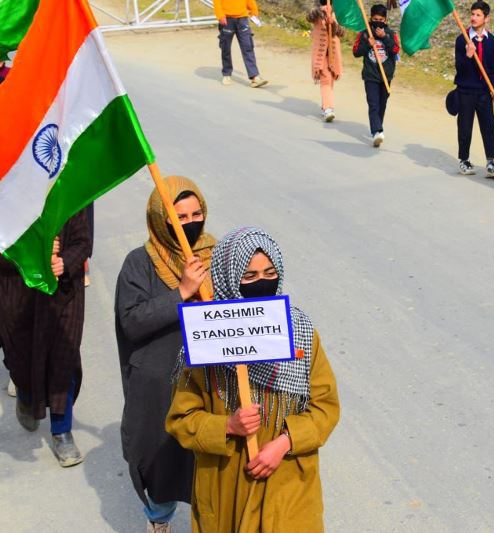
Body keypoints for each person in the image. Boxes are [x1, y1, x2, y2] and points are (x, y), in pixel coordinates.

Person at [166, 227, 340, 532]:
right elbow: (181, 419)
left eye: (270, 273)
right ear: (228, 279)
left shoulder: (299, 331)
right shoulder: (206, 339)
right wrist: (227, 426)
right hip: (226, 486)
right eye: (249, 276)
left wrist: (285, 442)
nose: (262, 281)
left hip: (287, 480)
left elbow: (325, 407)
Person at [115, 176, 216, 532]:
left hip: (210, 380)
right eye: (179, 217)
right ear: (161, 219)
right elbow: (132, 322)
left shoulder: (216, 255)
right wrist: (182, 292)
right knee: (163, 460)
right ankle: (159, 521)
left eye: (196, 214)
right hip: (161, 384)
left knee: (209, 457)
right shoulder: (139, 263)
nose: (190, 223)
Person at [0, 209, 91, 467]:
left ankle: (62, 430)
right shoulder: (7, 199)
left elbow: (83, 242)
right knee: (21, 359)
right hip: (17, 291)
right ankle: (27, 396)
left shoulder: (66, 195)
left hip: (64, 293)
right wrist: (35, 254)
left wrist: (64, 262)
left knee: (64, 361)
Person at [453, 1, 494, 179]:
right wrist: (468, 56)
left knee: (488, 126)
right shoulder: (462, 39)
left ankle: (491, 162)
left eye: (478, 15)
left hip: (484, 91)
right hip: (466, 90)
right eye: (472, 14)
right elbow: (459, 68)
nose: (474, 18)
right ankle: (464, 160)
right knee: (465, 126)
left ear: (486, 18)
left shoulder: (492, 41)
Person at [353, 4, 400, 147]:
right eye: (375, 19)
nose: (378, 22)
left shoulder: (391, 34)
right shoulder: (364, 34)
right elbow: (356, 52)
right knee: (373, 103)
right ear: (370, 18)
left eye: (381, 20)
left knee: (382, 104)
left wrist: (384, 37)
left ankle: (378, 125)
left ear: (385, 20)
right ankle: (377, 131)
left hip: (386, 76)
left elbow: (395, 50)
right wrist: (368, 44)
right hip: (370, 75)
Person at [213, 0, 268, 88]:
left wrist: (254, 11)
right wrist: (220, 15)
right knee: (226, 48)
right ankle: (227, 74)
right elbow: (217, 2)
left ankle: (254, 77)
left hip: (242, 19)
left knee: (248, 47)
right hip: (227, 19)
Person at [308, 0, 344, 122]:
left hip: (333, 54)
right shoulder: (316, 11)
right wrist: (321, 12)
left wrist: (332, 23)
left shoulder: (336, 13)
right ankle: (328, 108)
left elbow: (341, 32)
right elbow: (309, 17)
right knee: (325, 80)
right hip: (321, 55)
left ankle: (325, 106)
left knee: (330, 79)